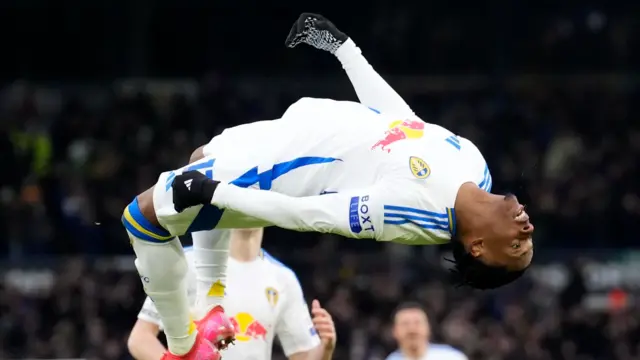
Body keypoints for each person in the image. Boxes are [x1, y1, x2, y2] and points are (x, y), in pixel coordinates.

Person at [121, 12, 534, 360]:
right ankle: (211, 304)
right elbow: (404, 122)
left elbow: (309, 216)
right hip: (304, 124)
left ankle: (182, 344)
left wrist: (215, 194)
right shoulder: (475, 165)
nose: (526, 230)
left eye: (515, 247)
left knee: (143, 218)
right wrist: (343, 49)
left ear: (477, 246)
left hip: (283, 166)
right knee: (199, 155)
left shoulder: (419, 216)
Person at [127, 229, 337, 360]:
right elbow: (140, 338)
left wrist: (326, 348)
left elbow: (302, 356)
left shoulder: (283, 279)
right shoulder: (188, 264)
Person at [385, 302, 467, 360]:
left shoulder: (452, 357)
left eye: (417, 323)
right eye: (405, 324)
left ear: (428, 328)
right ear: (394, 331)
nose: (412, 329)